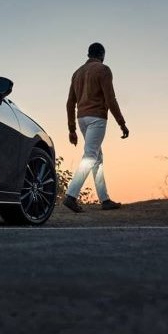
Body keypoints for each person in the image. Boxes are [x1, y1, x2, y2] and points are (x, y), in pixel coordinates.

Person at [61, 42, 129, 212]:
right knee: (90, 156)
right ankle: (71, 195)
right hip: (97, 118)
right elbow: (110, 99)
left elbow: (70, 103)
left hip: (81, 119)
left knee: (97, 158)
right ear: (102, 55)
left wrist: (72, 129)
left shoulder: (77, 73)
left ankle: (104, 199)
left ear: (88, 54)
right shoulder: (103, 70)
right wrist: (122, 123)